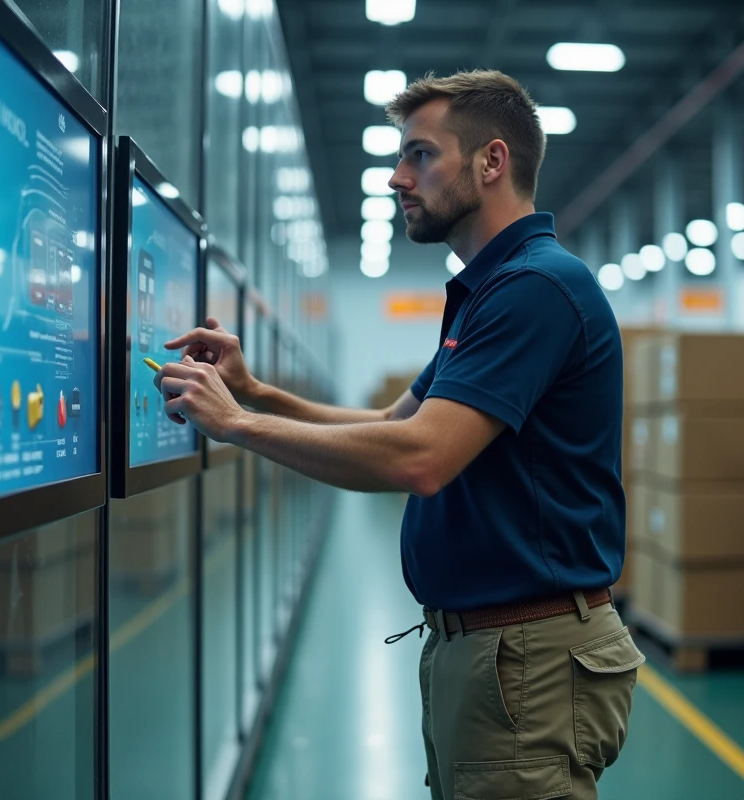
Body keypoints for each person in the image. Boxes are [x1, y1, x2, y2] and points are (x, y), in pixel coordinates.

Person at [155, 68, 643, 800]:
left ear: (492, 161)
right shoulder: (493, 291)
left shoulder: (536, 288)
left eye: (420, 155)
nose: (396, 178)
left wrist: (237, 424)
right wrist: (254, 394)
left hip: (528, 657)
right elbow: (396, 424)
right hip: (492, 649)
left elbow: (421, 457)